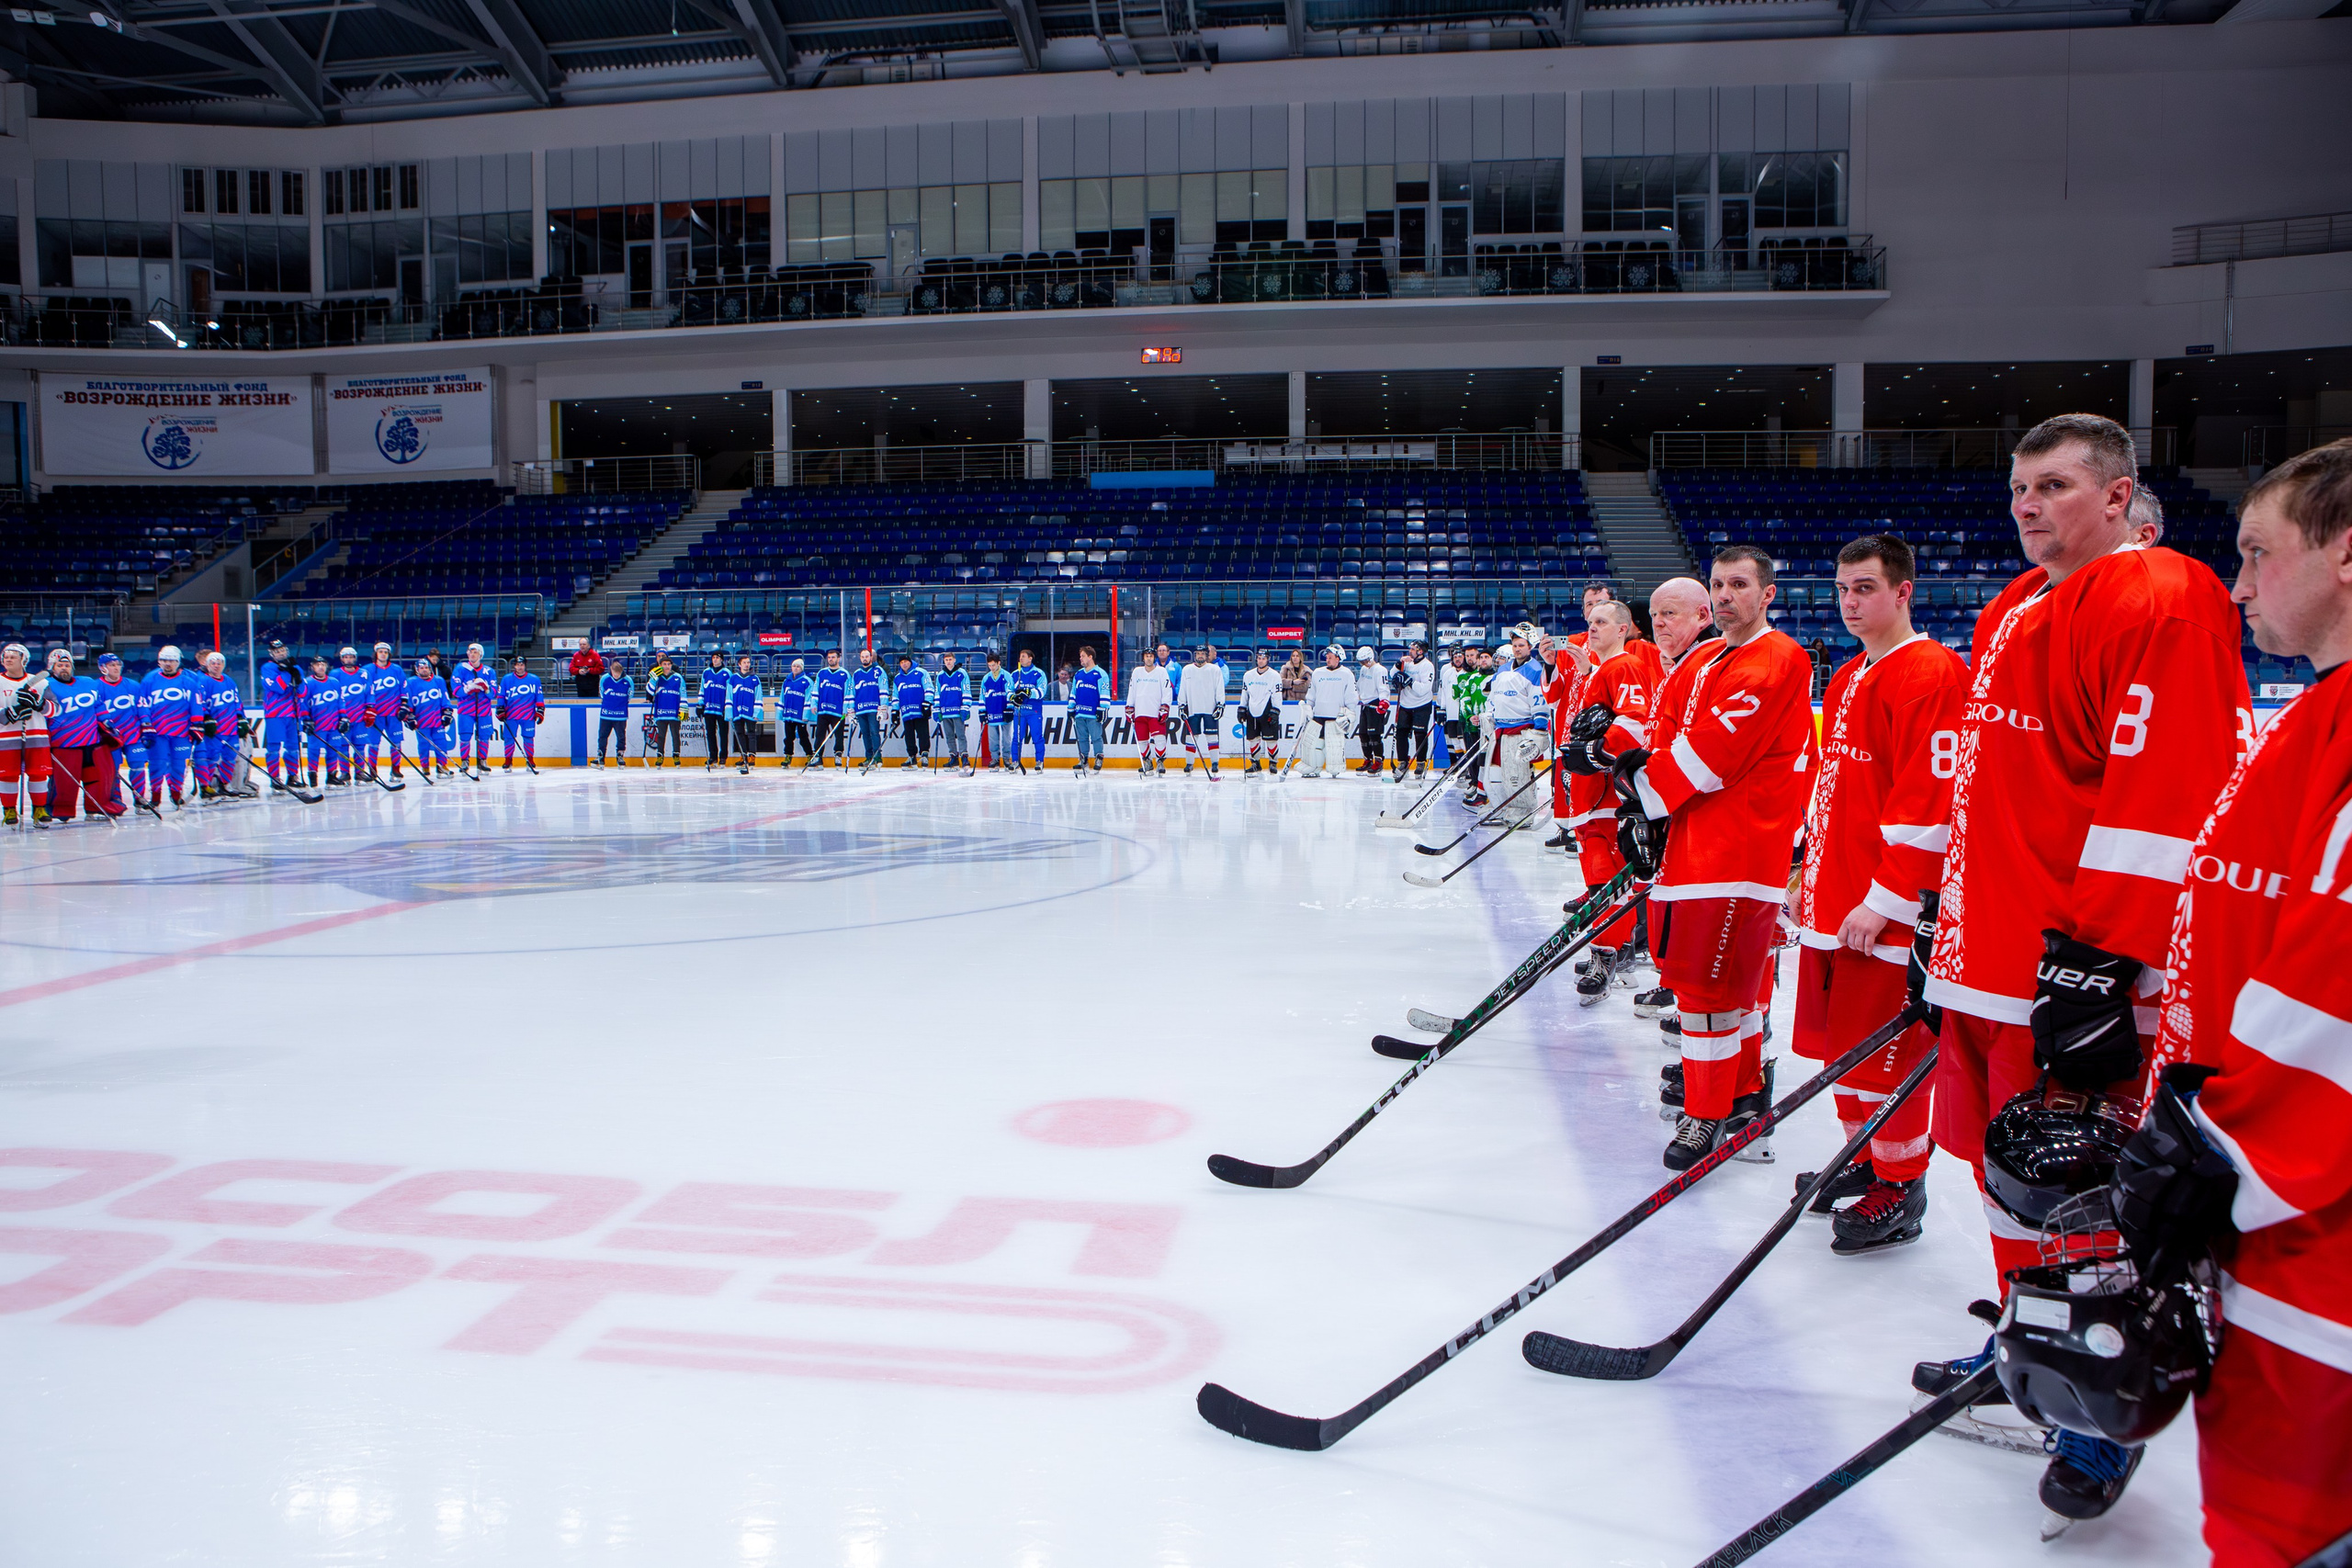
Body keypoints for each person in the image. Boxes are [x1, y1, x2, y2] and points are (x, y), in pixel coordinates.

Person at [1914, 413, 2249, 1525]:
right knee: (2010, 1178)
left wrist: (2102, 961)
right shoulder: (2020, 605)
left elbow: (2167, 794)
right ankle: (2033, 1340)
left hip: (2067, 965)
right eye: (2019, 487)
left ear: (2117, 497)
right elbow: (1996, 790)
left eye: (2054, 485)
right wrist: (1941, 921)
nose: (2027, 505)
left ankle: (2098, 1399)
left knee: (2077, 1187)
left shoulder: (2160, 593)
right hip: (1989, 954)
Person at [2128, 439, 2352, 1568]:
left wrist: (2217, 1154)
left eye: (2258, 553)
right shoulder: (2318, 714)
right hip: (2274, 1218)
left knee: (2279, 1534)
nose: (2238, 582)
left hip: (2314, 1237)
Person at [1785, 535, 1966, 1256]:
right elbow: (1834, 795)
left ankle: (1902, 1183)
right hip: (1836, 902)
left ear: (1903, 591)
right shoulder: (1850, 676)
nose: (1850, 602)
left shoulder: (1931, 672)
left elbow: (1934, 803)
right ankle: (1864, 1155)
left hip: (1882, 915)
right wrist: (1806, 876)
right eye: (1842, 589)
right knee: (1847, 1053)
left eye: (1865, 588)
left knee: (1886, 1055)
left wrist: (1889, 899)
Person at [1614, 550, 1814, 1172]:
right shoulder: (1713, 659)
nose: (1726, 594)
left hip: (1736, 852)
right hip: (1699, 846)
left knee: (1708, 994)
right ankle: (1746, 1094)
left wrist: (1639, 789)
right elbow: (1672, 735)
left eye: (1739, 584)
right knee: (1731, 991)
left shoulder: (1776, 658)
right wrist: (1648, 797)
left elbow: (1707, 755)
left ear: (1767, 594)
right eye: (1719, 584)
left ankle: (1708, 1112)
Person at [1558, 601, 1659, 1001]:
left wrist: (1597, 753)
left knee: (1608, 883)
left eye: (1601, 622)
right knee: (1599, 880)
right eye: (1590, 622)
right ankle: (1620, 949)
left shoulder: (1625, 666)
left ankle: (1607, 955)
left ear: (1623, 629)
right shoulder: (1601, 669)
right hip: (1590, 795)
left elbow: (1635, 721)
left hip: (1607, 796)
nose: (1592, 628)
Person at [41, 649, 119, 822]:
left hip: (92, 741)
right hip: (64, 744)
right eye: (60, 665)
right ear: (51, 667)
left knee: (96, 777)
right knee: (64, 782)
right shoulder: (45, 685)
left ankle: (96, 807)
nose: (64, 668)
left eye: (67, 665)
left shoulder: (87, 682)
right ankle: (60, 810)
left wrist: (107, 722)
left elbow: (98, 705)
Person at [1484, 632, 1550, 824]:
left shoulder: (1535, 670)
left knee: (1517, 774)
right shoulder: (1503, 669)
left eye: (1521, 645)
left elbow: (1540, 701)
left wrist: (1540, 729)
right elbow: (1493, 697)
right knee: (1496, 773)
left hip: (1521, 729)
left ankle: (1523, 811)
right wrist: (1489, 716)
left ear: (1530, 647)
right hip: (1500, 730)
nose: (1517, 649)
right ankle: (1501, 806)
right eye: (1515, 646)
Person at [139, 645, 203, 807]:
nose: (168, 663)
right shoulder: (149, 680)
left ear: (178, 662)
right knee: (157, 763)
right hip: (158, 732)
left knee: (179, 764)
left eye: (172, 660)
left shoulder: (189, 682)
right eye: (164, 660)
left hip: (181, 732)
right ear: (159, 661)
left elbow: (196, 705)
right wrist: (146, 724)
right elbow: (143, 704)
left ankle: (176, 793)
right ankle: (155, 795)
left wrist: (197, 725)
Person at [0, 642, 54, 826]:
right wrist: (8, 714)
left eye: (13, 657)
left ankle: (39, 809)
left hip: (36, 736)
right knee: (7, 775)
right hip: (6, 738)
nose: (8, 660)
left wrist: (39, 704)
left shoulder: (40, 682)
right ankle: (9, 810)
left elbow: (56, 709)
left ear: (24, 660)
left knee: (39, 773)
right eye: (6, 657)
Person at [96, 653, 144, 807]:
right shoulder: (96, 688)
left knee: (138, 765)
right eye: (112, 665)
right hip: (110, 736)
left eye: (118, 664)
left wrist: (146, 726)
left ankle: (140, 799)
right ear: (102, 667)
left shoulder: (133, 685)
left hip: (133, 734)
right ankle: (116, 801)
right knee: (113, 770)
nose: (116, 668)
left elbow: (142, 708)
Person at [1301, 645, 1357, 779]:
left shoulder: (1347, 674)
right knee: (1314, 745)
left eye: (1330, 657)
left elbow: (1351, 697)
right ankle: (1314, 768)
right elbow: (1312, 694)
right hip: (1318, 716)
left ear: (1338, 658)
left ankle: (1334, 769)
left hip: (1336, 718)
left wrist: (1350, 714)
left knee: (1334, 747)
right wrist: (1308, 708)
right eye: (1326, 657)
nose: (1327, 660)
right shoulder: (1318, 673)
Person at [255, 639, 302, 790]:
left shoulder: (295, 668)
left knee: (293, 747)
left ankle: (293, 776)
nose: (280, 653)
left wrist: (297, 678)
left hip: (293, 713)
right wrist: (287, 672)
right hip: (275, 713)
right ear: (272, 653)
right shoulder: (268, 668)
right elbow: (278, 688)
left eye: (282, 650)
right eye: (277, 651)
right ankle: (275, 778)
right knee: (274, 747)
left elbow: (303, 692)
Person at [199, 652, 246, 798]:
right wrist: (206, 718)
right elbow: (199, 703)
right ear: (207, 665)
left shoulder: (229, 681)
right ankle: (206, 787)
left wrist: (241, 718)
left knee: (230, 757)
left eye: (219, 663)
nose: (216, 665)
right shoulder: (203, 681)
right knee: (211, 757)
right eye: (213, 663)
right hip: (214, 729)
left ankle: (225, 784)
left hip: (230, 727)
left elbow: (237, 702)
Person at [299, 654, 349, 788]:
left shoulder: (334, 682)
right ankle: (313, 775)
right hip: (317, 724)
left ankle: (331, 776)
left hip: (333, 723)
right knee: (314, 750)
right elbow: (303, 702)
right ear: (312, 667)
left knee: (333, 749)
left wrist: (344, 717)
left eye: (323, 664)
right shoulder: (308, 682)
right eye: (317, 665)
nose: (321, 667)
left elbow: (340, 701)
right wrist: (306, 719)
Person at [1390, 639, 1437, 780]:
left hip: (1422, 704)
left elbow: (1424, 689)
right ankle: (1403, 762)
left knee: (1420, 734)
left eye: (1412, 649)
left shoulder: (1427, 666)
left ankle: (1420, 762)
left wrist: (1409, 681)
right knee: (1401, 733)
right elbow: (1392, 675)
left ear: (1420, 651)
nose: (1410, 651)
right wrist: (1398, 665)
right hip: (1405, 704)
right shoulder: (1407, 663)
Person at [1178, 645, 1226, 779]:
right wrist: (1182, 705)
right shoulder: (1187, 669)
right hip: (1193, 708)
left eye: (1202, 654)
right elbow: (1183, 688)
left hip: (1210, 708)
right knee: (1191, 737)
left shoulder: (1215, 669)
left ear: (1207, 655)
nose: (1200, 656)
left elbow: (1220, 688)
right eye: (1198, 653)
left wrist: (1220, 704)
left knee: (1212, 736)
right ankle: (1189, 763)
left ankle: (1215, 763)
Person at [451, 643, 498, 773]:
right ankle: (465, 761)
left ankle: (482, 761)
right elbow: (456, 690)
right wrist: (468, 689)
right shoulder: (460, 668)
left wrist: (486, 688)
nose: (472, 654)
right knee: (465, 736)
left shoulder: (489, 671)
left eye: (475, 652)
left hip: (483, 709)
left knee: (484, 736)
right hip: (466, 709)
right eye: (470, 652)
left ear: (480, 655)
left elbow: (493, 694)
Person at [363, 642, 407, 781]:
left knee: (396, 743)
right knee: (373, 743)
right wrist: (368, 708)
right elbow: (364, 690)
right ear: (376, 654)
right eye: (380, 651)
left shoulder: (397, 670)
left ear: (389, 654)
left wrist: (404, 706)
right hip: (376, 714)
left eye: (385, 652)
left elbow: (404, 688)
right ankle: (372, 770)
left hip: (394, 713)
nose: (383, 654)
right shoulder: (367, 670)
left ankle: (395, 770)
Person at [403, 659, 454, 778]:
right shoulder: (411, 682)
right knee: (424, 744)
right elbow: (408, 700)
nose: (424, 670)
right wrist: (410, 716)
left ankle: (442, 766)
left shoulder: (439, 680)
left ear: (430, 668)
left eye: (426, 667)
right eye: (421, 668)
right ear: (417, 670)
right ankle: (425, 766)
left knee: (441, 742)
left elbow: (445, 698)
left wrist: (447, 712)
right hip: (421, 720)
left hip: (437, 719)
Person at [1126, 649, 1172, 776]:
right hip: (1140, 712)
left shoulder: (1161, 672)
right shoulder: (1137, 672)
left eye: (1151, 656)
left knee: (1160, 738)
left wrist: (1165, 707)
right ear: (1143, 658)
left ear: (1154, 658)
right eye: (1146, 656)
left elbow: (1167, 691)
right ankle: (1147, 762)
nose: (1149, 658)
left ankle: (1160, 762)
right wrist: (1129, 707)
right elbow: (1132, 690)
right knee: (1142, 740)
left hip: (1156, 712)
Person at [1453, 647, 1489, 803]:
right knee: (1473, 755)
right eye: (1482, 657)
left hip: (1491, 726)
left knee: (1488, 758)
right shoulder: (1472, 678)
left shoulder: (1498, 677)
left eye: (1486, 657)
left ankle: (1488, 787)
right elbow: (1463, 699)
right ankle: (1475, 783)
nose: (1483, 660)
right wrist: (1469, 716)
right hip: (1472, 725)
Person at [496, 657, 544, 773]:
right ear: (514, 666)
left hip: (528, 715)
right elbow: (501, 695)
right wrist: (500, 708)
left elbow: (539, 695)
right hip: (511, 715)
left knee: (528, 737)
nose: (520, 667)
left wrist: (540, 710)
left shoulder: (534, 679)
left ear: (525, 665)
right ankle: (508, 761)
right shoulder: (507, 679)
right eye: (517, 664)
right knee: (509, 738)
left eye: (522, 664)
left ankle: (530, 760)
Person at [1069, 646, 1111, 774]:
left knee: (1096, 737)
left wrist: (1103, 709)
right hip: (1079, 712)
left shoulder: (1100, 674)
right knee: (1082, 738)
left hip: (1093, 713)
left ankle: (1099, 757)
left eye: (1083, 656)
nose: (1080, 658)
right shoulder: (1078, 674)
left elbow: (1104, 692)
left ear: (1090, 657)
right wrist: (1071, 707)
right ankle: (1084, 759)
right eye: (1080, 656)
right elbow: (1074, 691)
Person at [1239, 649, 1282, 774]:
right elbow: (1245, 693)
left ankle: (1273, 763)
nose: (1261, 661)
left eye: (1263, 658)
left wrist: (1276, 710)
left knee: (1271, 739)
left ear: (1268, 659)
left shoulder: (1274, 675)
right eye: (1259, 658)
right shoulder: (1248, 675)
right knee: (1253, 739)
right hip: (1252, 710)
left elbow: (1277, 695)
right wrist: (1242, 708)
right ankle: (1255, 763)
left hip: (1268, 711)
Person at [1010, 648, 1048, 773]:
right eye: (1020, 656)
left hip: (1034, 712)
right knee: (1017, 738)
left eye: (1023, 656)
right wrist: (1013, 698)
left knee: (1037, 737)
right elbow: (1009, 690)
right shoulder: (1015, 674)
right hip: (1019, 712)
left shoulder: (1039, 673)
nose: (1021, 659)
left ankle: (1039, 761)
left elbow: (1042, 691)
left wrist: (1028, 692)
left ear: (1030, 658)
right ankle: (1015, 761)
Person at [891, 653, 932, 772]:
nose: (904, 664)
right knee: (909, 735)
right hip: (906, 711)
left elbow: (929, 688)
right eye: (901, 662)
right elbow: (895, 695)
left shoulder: (921, 672)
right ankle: (912, 756)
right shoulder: (897, 678)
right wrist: (895, 710)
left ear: (910, 662)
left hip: (920, 710)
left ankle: (924, 755)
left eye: (906, 662)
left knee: (923, 733)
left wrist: (927, 703)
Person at [643, 654, 685, 766]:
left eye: (668, 664)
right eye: (664, 664)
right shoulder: (657, 678)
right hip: (661, 712)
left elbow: (683, 693)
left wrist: (683, 708)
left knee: (675, 735)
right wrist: (653, 679)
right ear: (660, 665)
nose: (666, 666)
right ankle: (660, 755)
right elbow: (650, 691)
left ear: (671, 665)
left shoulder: (678, 677)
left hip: (674, 712)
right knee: (661, 735)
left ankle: (676, 755)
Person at [1352, 646, 1388, 775]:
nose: (1364, 663)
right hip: (1365, 704)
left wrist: (1384, 701)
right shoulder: (1364, 669)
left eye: (1365, 661)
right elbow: (1359, 685)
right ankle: (1368, 759)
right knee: (1363, 734)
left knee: (1374, 735)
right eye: (1361, 661)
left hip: (1375, 704)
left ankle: (1378, 761)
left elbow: (1383, 687)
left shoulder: (1380, 670)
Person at [934, 653, 972, 774]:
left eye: (950, 659)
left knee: (961, 735)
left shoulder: (962, 673)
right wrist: (937, 709)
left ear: (954, 660)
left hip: (957, 710)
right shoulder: (941, 675)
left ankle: (964, 757)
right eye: (946, 660)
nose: (948, 662)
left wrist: (965, 707)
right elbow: (937, 693)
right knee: (949, 736)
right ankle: (953, 757)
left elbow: (966, 690)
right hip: (945, 711)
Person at [851, 648, 888, 772]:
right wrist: (851, 710)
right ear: (860, 658)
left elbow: (883, 689)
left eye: (867, 656)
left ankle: (877, 758)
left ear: (871, 657)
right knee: (865, 734)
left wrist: (883, 707)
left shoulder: (879, 671)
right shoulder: (856, 673)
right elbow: (852, 693)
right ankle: (869, 757)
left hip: (873, 708)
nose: (865, 659)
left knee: (874, 732)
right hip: (860, 709)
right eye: (863, 657)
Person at [812, 649, 850, 767]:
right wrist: (814, 704)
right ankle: (818, 757)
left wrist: (846, 709)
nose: (831, 659)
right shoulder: (821, 673)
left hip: (838, 711)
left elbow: (848, 693)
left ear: (838, 658)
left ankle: (838, 754)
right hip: (823, 710)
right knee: (819, 734)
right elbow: (816, 690)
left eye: (833, 657)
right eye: (829, 657)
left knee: (839, 735)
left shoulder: (845, 674)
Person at [776, 658, 816, 769]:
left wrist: (805, 715)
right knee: (788, 737)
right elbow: (782, 697)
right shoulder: (786, 681)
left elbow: (809, 699)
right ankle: (788, 756)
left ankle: (810, 755)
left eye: (798, 666)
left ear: (802, 668)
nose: (795, 668)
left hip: (800, 715)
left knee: (803, 737)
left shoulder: (807, 681)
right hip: (789, 714)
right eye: (794, 666)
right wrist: (781, 713)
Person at [978, 653, 1014, 773]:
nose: (991, 668)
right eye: (989, 665)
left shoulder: (1007, 676)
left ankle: (1006, 759)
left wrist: (1010, 708)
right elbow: (982, 695)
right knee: (993, 738)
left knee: (1006, 738)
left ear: (999, 663)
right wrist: (982, 711)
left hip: (1004, 710)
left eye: (993, 665)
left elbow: (1011, 692)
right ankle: (995, 759)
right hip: (992, 711)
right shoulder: (986, 678)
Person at [594, 657, 632, 766]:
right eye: (615, 674)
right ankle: (601, 756)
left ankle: (620, 756)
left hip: (621, 715)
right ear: (611, 670)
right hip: (606, 714)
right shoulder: (605, 679)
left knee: (621, 736)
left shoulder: (628, 680)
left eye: (618, 674)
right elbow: (602, 693)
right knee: (602, 736)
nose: (616, 676)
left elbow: (630, 696)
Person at [729, 654, 763, 773]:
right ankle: (743, 755)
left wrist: (757, 711)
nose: (747, 664)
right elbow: (729, 695)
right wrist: (729, 711)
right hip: (737, 711)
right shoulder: (733, 678)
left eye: (748, 662)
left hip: (750, 711)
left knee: (751, 733)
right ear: (739, 664)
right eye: (744, 662)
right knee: (739, 734)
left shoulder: (755, 678)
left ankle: (752, 756)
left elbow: (758, 696)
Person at [699, 651, 731, 771]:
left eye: (717, 657)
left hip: (722, 709)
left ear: (722, 659)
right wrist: (700, 704)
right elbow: (702, 688)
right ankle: (713, 757)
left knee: (723, 733)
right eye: (713, 657)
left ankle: (723, 756)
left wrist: (728, 706)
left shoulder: (727, 673)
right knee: (710, 733)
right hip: (709, 708)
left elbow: (729, 691)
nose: (715, 659)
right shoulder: (706, 672)